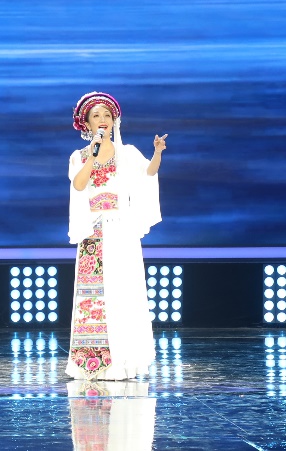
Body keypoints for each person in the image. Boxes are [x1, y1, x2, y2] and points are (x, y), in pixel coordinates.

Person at [65, 92, 167, 380]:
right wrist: (93, 153)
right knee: (94, 295)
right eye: (96, 116)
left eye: (107, 115)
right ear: (87, 123)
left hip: (121, 230)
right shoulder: (78, 156)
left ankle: (124, 359)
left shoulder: (128, 153)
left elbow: (147, 173)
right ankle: (92, 361)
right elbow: (79, 185)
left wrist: (157, 153)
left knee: (124, 292)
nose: (103, 120)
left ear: (114, 121)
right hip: (94, 233)